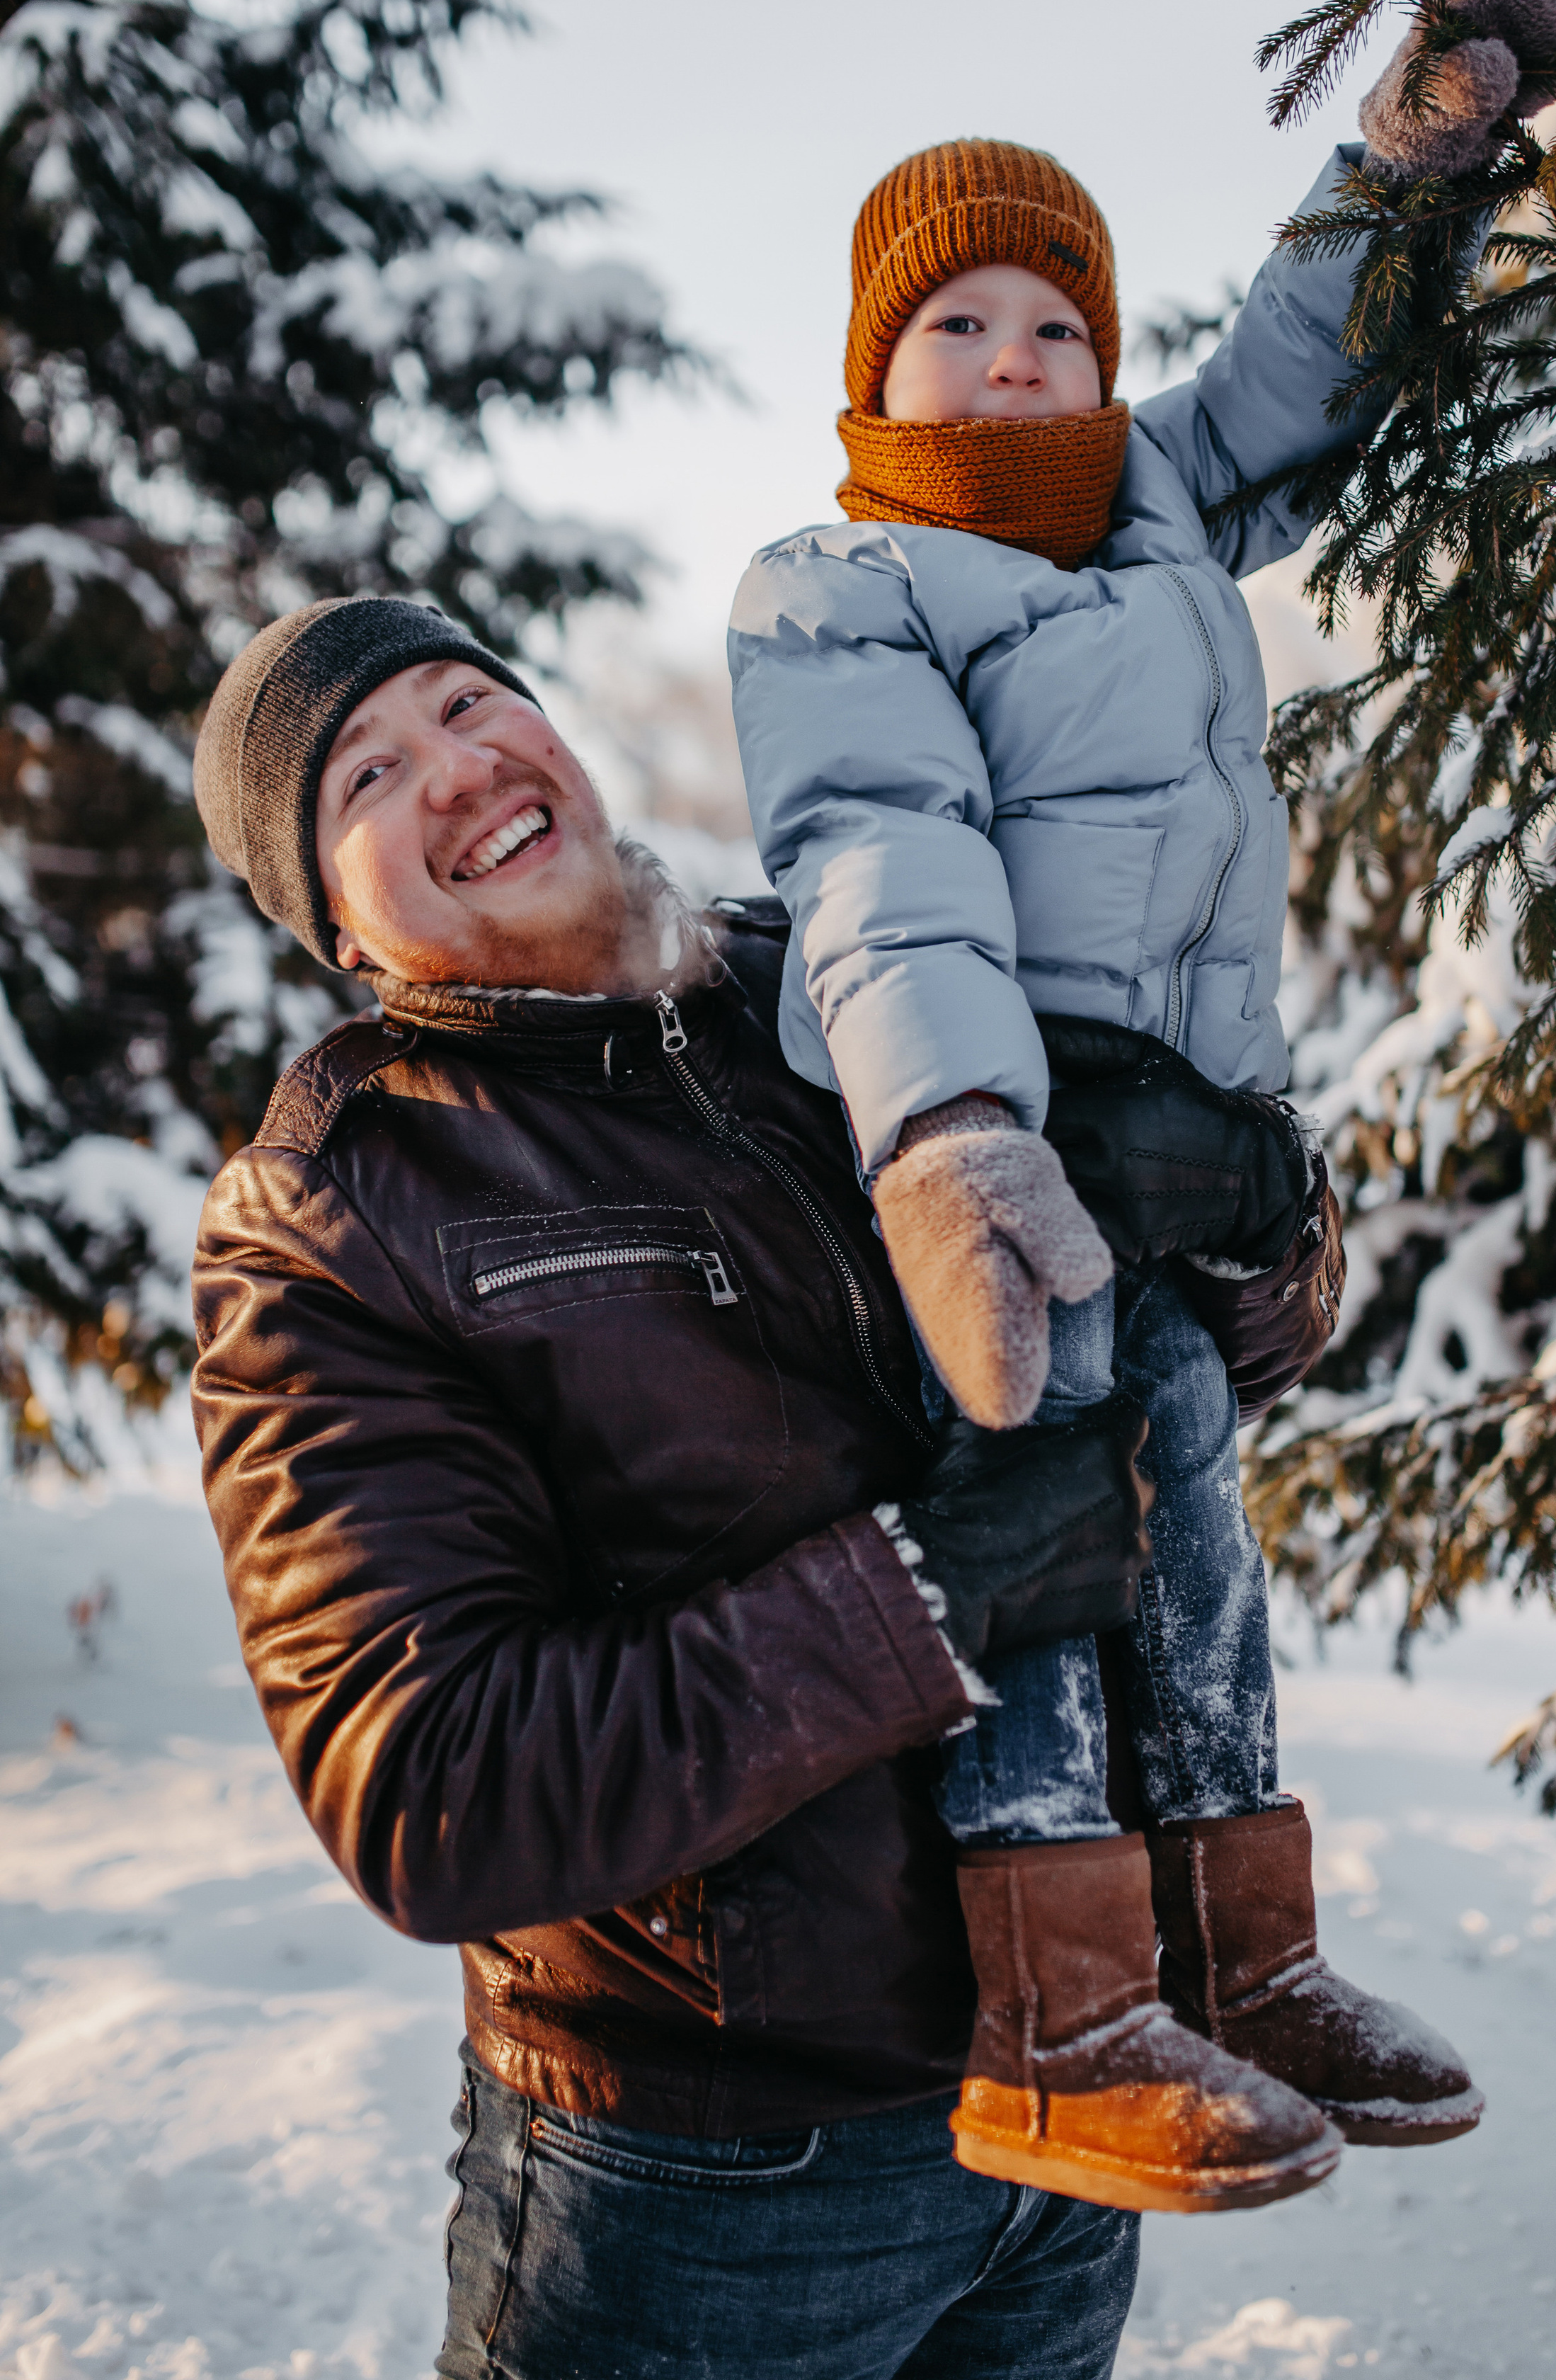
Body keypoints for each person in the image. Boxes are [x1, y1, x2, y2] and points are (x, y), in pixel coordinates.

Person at [189, 592, 1303, 2380]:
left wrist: (1253, 1216)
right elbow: (432, 1789)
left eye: (466, 704)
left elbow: (1195, 1364)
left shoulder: (857, 989)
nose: (455, 770)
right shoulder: (343, 1208)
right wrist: (926, 1592)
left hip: (1082, 2076)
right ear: (333, 921)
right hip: (710, 2190)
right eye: (365, 779)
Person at [728, 0, 1556, 2209]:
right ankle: (1062, 2009)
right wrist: (951, 1138)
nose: (1016, 360)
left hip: (1183, 1155)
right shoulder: (842, 584)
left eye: (1058, 326)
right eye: (959, 324)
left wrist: (1401, 172)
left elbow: (1299, 368)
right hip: (1012, 1153)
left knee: (1198, 1525)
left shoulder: (1157, 511)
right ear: (873, 369)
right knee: (1038, 1521)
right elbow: (884, 858)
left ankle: (1240, 1955)